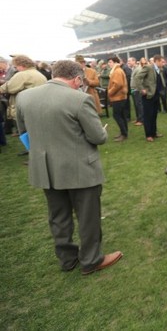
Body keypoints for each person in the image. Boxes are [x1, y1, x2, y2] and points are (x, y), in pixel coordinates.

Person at [15, 60, 122, 274]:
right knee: (88, 216)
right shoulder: (79, 99)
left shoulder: (24, 97)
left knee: (58, 216)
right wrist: (102, 130)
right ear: (77, 79)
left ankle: (67, 259)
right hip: (80, 168)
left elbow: (23, 132)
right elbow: (98, 137)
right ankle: (91, 260)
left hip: (45, 169)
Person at [0, 55, 47, 137]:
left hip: (25, 108)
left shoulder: (22, 75)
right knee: (36, 133)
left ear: (21, 65)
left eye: (16, 66)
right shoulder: (38, 74)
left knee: (26, 133)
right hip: (38, 106)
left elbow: (9, 88)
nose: (16, 69)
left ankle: (31, 149)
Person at [134, 54, 166, 142]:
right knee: (148, 116)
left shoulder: (159, 69)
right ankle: (148, 135)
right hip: (148, 95)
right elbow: (137, 77)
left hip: (156, 95)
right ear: (157, 61)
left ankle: (154, 132)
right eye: (162, 62)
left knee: (154, 115)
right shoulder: (148, 67)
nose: (163, 63)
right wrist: (142, 89)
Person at [107, 57, 128, 141]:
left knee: (117, 115)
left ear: (115, 62)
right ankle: (124, 132)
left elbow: (118, 84)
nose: (109, 64)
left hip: (118, 97)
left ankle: (124, 133)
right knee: (121, 115)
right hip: (120, 97)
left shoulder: (117, 71)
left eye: (110, 62)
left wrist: (110, 92)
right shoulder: (117, 70)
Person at [128, 56, 144, 126]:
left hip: (137, 89)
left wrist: (139, 89)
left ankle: (141, 120)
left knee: (139, 105)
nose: (128, 63)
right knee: (135, 104)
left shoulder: (138, 69)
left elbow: (139, 80)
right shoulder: (134, 68)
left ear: (134, 61)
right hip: (133, 89)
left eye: (129, 61)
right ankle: (138, 118)